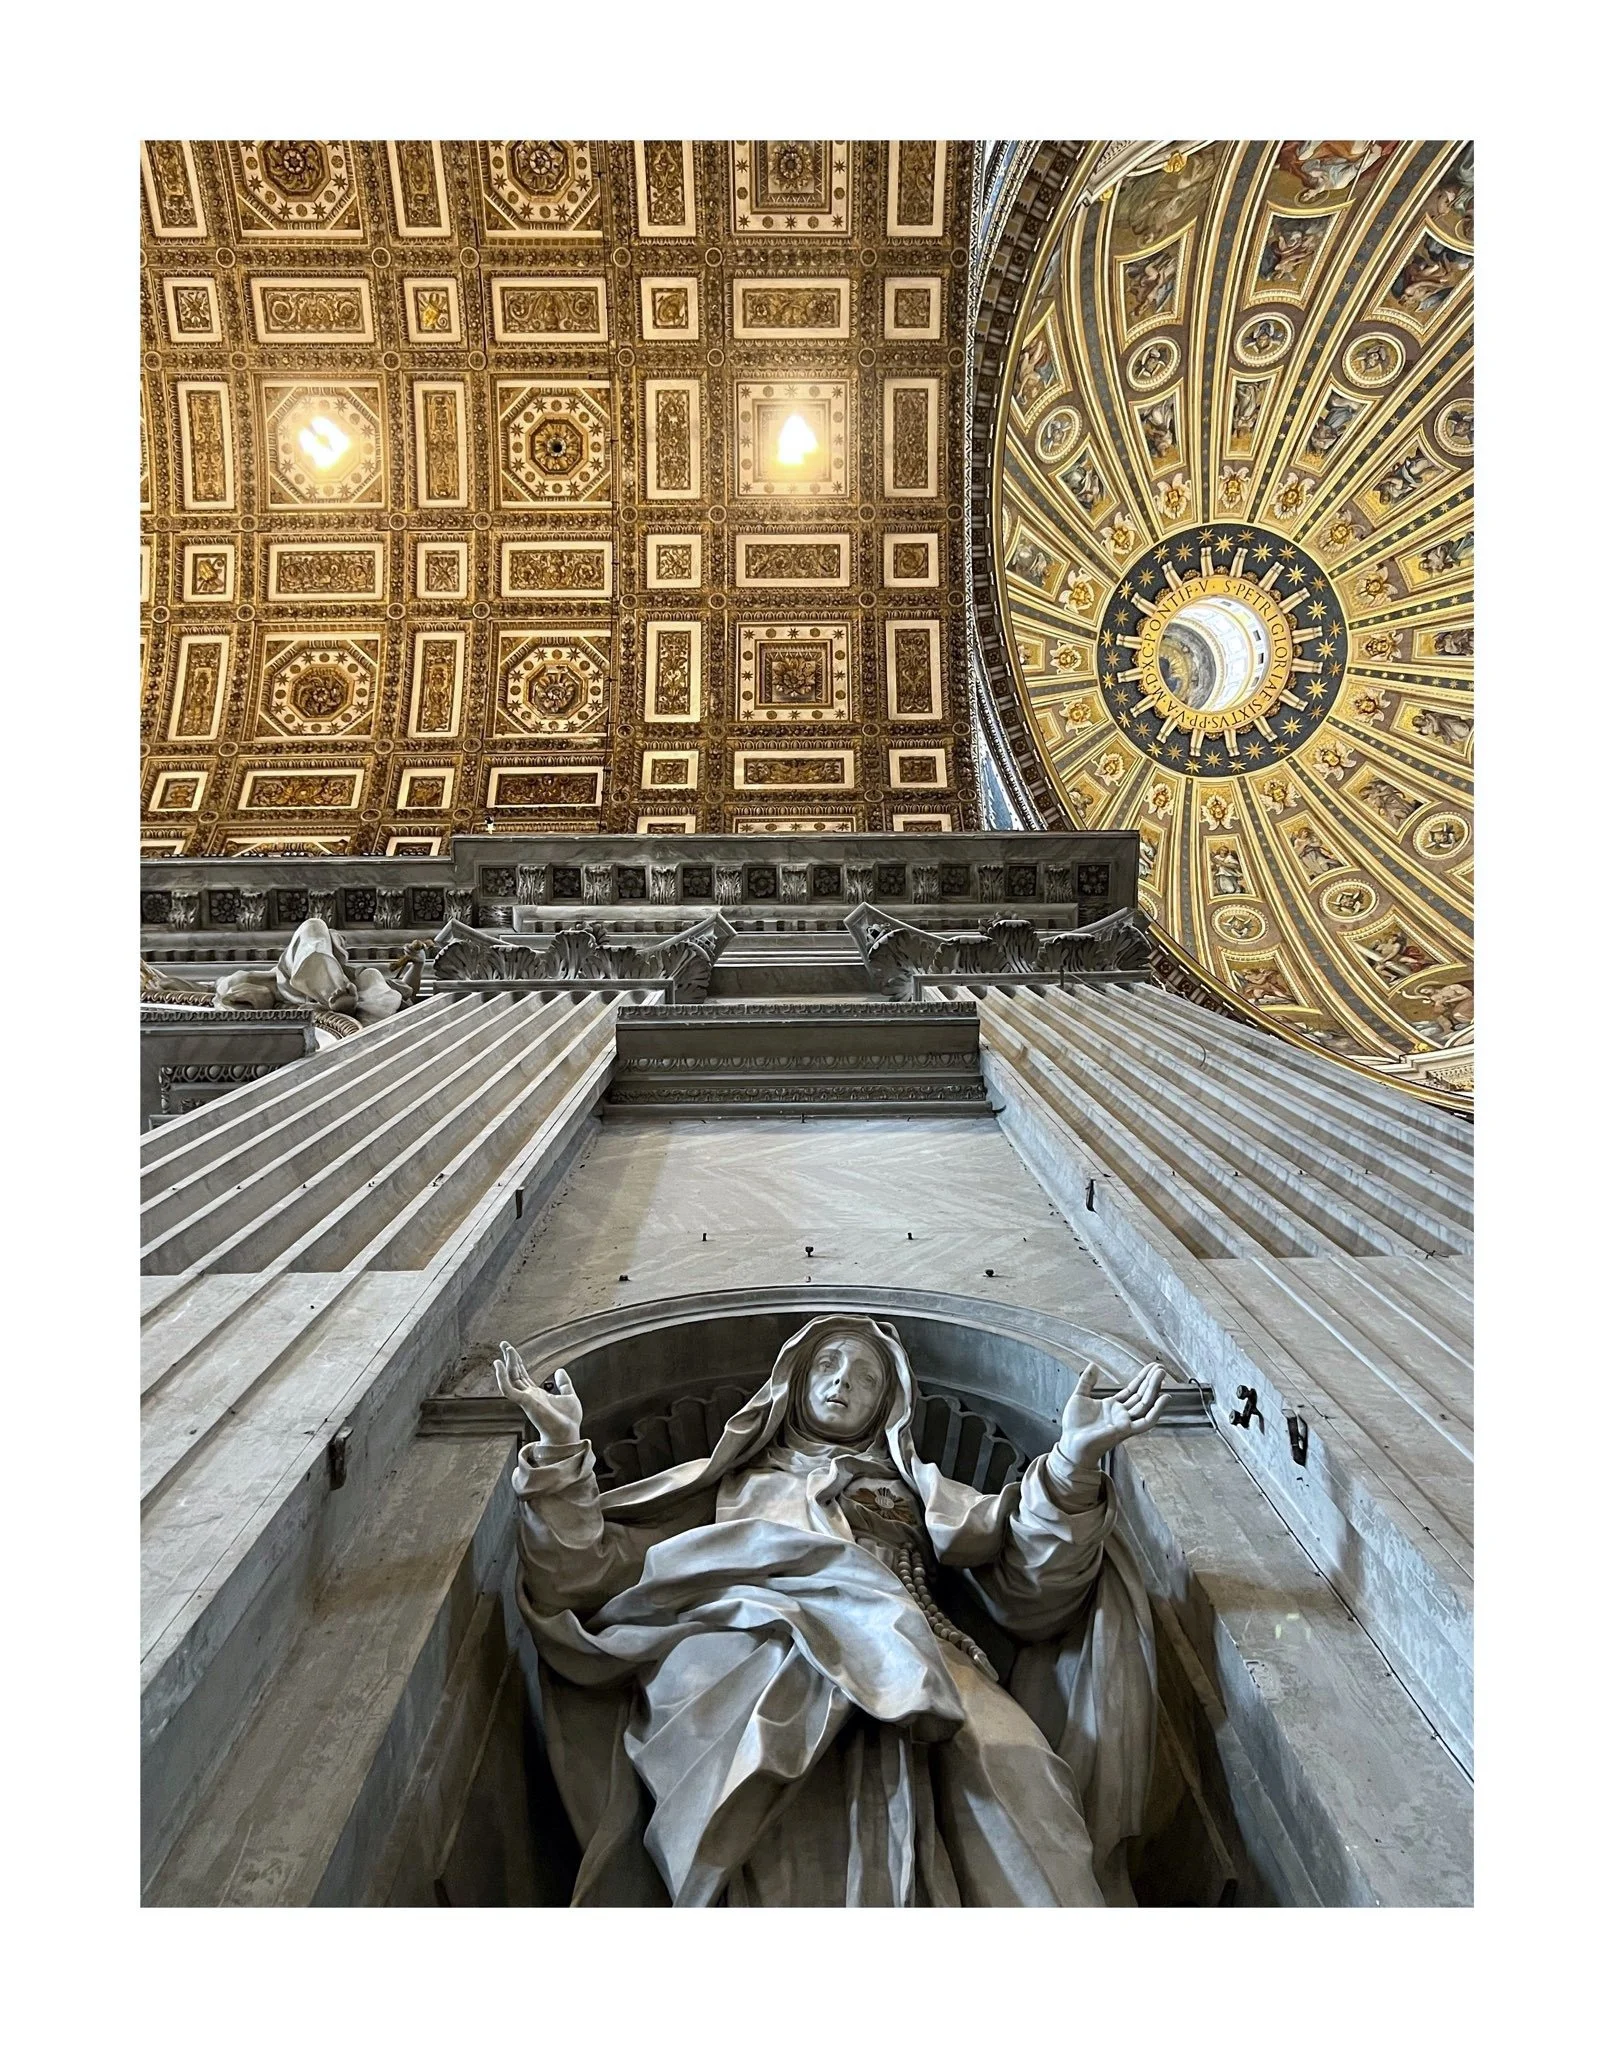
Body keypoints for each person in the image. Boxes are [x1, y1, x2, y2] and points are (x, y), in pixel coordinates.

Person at [495, 1314, 1169, 1908]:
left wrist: (1075, 1462)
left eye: (866, 1378)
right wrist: (559, 1456)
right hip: (760, 1655)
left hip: (926, 1660)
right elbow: (585, 1574)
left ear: (887, 1406)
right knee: (789, 1843)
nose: (843, 1381)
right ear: (793, 1381)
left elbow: (1037, 1592)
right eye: (826, 1363)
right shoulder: (729, 1485)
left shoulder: (922, 1492)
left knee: (1024, 1785)